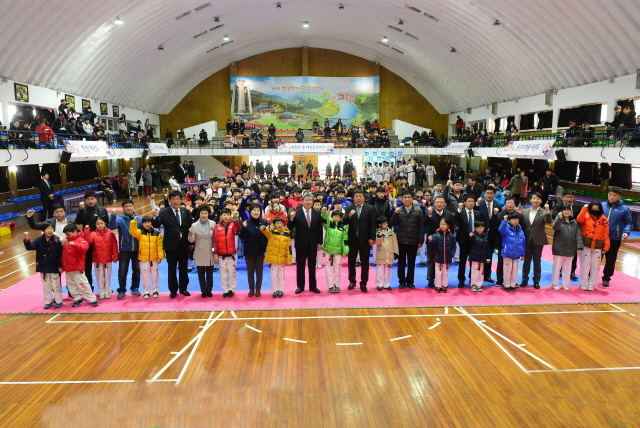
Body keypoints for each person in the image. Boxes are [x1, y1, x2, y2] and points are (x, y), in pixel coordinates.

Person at [152, 190, 192, 298]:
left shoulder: (186, 212)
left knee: (183, 268)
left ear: (181, 200)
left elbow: (190, 227)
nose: (176, 201)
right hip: (171, 245)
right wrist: (154, 216)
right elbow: (156, 224)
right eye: (173, 199)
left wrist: (191, 242)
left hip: (184, 244)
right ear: (170, 200)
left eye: (178, 199)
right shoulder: (164, 212)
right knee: (172, 268)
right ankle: (173, 290)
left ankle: (183, 288)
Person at [288, 194, 323, 293]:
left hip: (313, 243)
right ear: (302, 201)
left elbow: (320, 229)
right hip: (300, 243)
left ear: (312, 202)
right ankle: (300, 286)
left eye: (310, 200)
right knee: (300, 266)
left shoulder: (317, 213)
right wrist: (291, 218)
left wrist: (319, 242)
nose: (308, 202)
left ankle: (313, 286)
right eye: (306, 200)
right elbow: (290, 226)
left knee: (312, 266)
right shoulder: (297, 213)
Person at [343, 189, 377, 292]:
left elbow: (373, 224)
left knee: (365, 262)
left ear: (364, 197)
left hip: (365, 239)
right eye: (356, 196)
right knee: (351, 262)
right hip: (352, 239)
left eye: (360, 196)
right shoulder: (349, 208)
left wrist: (372, 238)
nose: (358, 198)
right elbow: (344, 221)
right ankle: (352, 281)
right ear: (353, 198)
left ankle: (363, 283)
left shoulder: (370, 208)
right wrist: (349, 215)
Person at [108, 199, 142, 298]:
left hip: (137, 249)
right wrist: (113, 215)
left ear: (133, 207)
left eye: (130, 206)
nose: (128, 208)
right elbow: (111, 227)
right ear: (123, 208)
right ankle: (121, 290)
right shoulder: (120, 219)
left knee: (137, 271)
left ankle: (135, 288)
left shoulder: (139, 219)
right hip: (124, 250)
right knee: (122, 272)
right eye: (126, 206)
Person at [23, 225, 64, 309]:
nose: (50, 230)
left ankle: (59, 301)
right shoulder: (38, 240)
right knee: (46, 285)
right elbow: (30, 247)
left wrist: (60, 265)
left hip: (54, 266)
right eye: (48, 229)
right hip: (43, 267)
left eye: (52, 229)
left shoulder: (57, 240)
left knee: (56, 285)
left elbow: (60, 254)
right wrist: (27, 239)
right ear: (43, 230)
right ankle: (48, 301)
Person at [76, 191, 109, 290]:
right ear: (85, 200)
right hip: (88, 240)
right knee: (87, 265)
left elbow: (106, 224)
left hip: (101, 240)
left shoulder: (102, 210)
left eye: (92, 198)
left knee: (103, 264)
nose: (90, 201)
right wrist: (81, 210)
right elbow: (78, 222)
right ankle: (89, 287)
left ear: (96, 199)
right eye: (88, 199)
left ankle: (104, 287)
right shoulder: (83, 210)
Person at [601, 186, 633, 287]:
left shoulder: (624, 209)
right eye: (610, 194)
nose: (611, 197)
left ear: (619, 196)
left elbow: (628, 222)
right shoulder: (602, 205)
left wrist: (626, 232)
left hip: (614, 238)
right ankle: (591, 276)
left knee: (611, 259)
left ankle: (606, 278)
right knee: (596, 258)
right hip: (600, 237)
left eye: (615, 195)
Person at [62, 224, 99, 307]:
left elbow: (85, 247)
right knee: (71, 284)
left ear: (75, 231)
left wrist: (75, 244)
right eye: (66, 234)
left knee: (83, 284)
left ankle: (92, 299)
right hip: (68, 267)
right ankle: (78, 298)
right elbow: (63, 255)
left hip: (77, 267)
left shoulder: (80, 240)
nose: (67, 236)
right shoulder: (66, 242)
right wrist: (62, 266)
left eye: (69, 234)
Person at [520, 193, 552, 289]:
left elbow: (548, 221)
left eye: (538, 199)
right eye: (534, 198)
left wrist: (548, 211)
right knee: (526, 261)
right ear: (530, 200)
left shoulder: (544, 212)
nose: (535, 200)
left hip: (538, 240)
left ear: (541, 201)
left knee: (537, 261)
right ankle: (524, 279)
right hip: (527, 239)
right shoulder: (524, 212)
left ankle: (536, 281)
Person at [454, 195, 486, 288]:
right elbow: (455, 220)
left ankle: (472, 279)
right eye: (469, 201)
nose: (471, 203)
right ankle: (461, 279)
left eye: (472, 201)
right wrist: (458, 210)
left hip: (475, 241)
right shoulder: (461, 212)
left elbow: (480, 226)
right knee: (462, 261)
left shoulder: (478, 213)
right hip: (463, 241)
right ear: (465, 202)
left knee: (474, 261)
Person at [577, 202, 610, 291]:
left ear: (600, 209)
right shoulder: (585, 216)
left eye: (597, 209)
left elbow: (606, 234)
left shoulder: (604, 219)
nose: (595, 211)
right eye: (593, 209)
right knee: (584, 265)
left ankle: (592, 284)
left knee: (595, 266)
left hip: (598, 246)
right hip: (586, 244)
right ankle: (583, 283)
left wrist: (606, 247)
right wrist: (584, 208)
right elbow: (579, 219)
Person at [83, 217, 119, 299]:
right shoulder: (93, 234)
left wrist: (115, 256)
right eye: (98, 224)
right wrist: (86, 230)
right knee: (99, 277)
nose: (100, 225)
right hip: (98, 259)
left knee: (107, 276)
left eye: (101, 223)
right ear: (95, 225)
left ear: (105, 223)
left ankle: (107, 290)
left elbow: (114, 246)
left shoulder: (110, 233)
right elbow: (88, 241)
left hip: (108, 259)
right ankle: (101, 291)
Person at [551, 190, 582, 280]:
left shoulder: (578, 206)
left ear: (574, 198)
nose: (569, 199)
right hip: (562, 231)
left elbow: (580, 218)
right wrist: (561, 218)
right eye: (567, 197)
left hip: (574, 230)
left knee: (573, 254)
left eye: (571, 197)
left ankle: (572, 272)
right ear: (563, 197)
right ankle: (559, 272)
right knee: (560, 256)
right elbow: (554, 216)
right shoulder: (557, 206)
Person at [130, 216, 164, 298]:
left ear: (151, 223)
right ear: (142, 224)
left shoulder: (157, 234)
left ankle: (155, 290)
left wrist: (160, 257)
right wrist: (133, 222)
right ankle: (146, 291)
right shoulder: (140, 233)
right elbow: (132, 232)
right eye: (145, 222)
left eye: (148, 222)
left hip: (154, 259)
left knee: (155, 276)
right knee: (145, 276)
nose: (147, 224)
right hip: (143, 259)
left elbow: (160, 247)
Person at [424, 196, 454, 288]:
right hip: (432, 241)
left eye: (441, 202)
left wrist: (450, 240)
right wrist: (429, 215)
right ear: (434, 203)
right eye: (437, 202)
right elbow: (425, 224)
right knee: (431, 260)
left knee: (444, 262)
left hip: (445, 241)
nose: (439, 204)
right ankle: (430, 279)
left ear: (445, 204)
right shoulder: (429, 212)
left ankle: (443, 280)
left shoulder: (449, 214)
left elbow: (451, 228)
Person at [239, 204, 268, 297]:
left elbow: (267, 237)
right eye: (254, 210)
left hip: (260, 251)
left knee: (259, 271)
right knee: (250, 271)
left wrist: (265, 248)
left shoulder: (264, 223)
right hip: (249, 251)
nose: (256, 212)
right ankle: (251, 289)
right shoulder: (246, 223)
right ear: (250, 212)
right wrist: (243, 228)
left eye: (258, 210)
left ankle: (258, 289)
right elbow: (242, 237)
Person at [188, 206, 217, 298]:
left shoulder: (213, 223)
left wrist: (215, 252)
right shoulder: (194, 225)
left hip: (210, 250)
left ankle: (209, 290)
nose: (204, 215)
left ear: (209, 214)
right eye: (202, 213)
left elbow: (215, 239)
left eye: (205, 213)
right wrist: (190, 233)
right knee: (201, 273)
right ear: (199, 214)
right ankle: (203, 291)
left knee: (210, 273)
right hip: (199, 251)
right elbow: (191, 240)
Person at [261, 217, 292, 297]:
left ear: (283, 224)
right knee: (274, 276)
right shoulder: (271, 233)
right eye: (277, 223)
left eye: (280, 223)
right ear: (274, 225)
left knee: (281, 276)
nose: (279, 225)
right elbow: (266, 232)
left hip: (282, 259)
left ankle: (281, 290)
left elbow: (289, 248)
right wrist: (264, 228)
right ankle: (274, 290)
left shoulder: (287, 234)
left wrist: (289, 259)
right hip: (273, 259)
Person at [214, 207, 241, 297]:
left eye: (228, 215)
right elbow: (214, 241)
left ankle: (231, 290)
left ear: (230, 216)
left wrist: (236, 218)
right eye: (224, 215)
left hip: (231, 255)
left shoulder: (232, 225)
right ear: (221, 216)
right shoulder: (217, 226)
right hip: (221, 255)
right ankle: (225, 290)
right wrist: (214, 253)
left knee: (232, 273)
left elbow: (238, 228)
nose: (226, 217)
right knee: (223, 274)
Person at [321, 208, 349, 293]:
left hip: (338, 252)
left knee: (338, 269)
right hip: (328, 251)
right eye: (335, 216)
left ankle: (337, 285)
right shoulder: (329, 224)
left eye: (338, 217)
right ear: (332, 217)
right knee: (329, 269)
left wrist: (345, 252)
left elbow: (345, 241)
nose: (336, 218)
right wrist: (324, 212)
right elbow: (325, 218)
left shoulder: (343, 228)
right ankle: (330, 286)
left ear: (341, 218)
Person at [477, 186, 502, 283]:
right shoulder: (480, 205)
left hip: (492, 235)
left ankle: (487, 275)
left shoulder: (498, 206)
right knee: (478, 255)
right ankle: (476, 275)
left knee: (489, 256)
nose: (489, 195)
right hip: (480, 234)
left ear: (494, 195)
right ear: (484, 194)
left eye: (491, 193)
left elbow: (499, 221)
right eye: (487, 193)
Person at [428, 217, 456, 293]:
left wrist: (452, 254)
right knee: (438, 273)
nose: (442, 226)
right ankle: (438, 286)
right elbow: (432, 246)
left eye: (444, 224)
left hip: (447, 257)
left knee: (445, 273)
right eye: (441, 224)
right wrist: (430, 240)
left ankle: (444, 285)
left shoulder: (451, 236)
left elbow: (453, 246)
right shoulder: (435, 235)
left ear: (448, 225)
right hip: (438, 257)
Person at [499, 213, 526, 291]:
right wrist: (504, 221)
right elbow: (501, 231)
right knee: (507, 270)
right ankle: (507, 285)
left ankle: (513, 284)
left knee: (515, 270)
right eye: (514, 220)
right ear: (509, 220)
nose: (516, 221)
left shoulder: (520, 230)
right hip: (507, 253)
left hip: (517, 254)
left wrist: (523, 254)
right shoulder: (506, 228)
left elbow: (523, 243)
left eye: (517, 220)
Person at [374, 216, 398, 291]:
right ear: (380, 224)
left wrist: (396, 252)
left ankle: (387, 284)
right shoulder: (377, 232)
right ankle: (379, 284)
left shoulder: (391, 232)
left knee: (388, 270)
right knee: (380, 270)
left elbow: (395, 242)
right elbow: (377, 243)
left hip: (389, 253)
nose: (386, 224)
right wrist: (379, 237)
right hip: (381, 253)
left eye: (386, 223)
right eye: (384, 223)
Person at [468, 221, 492, 292]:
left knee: (481, 272)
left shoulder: (485, 236)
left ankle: (479, 284)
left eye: (481, 228)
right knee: (474, 272)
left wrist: (488, 257)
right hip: (475, 257)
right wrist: (470, 236)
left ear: (484, 228)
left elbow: (487, 248)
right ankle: (473, 284)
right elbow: (470, 241)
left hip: (483, 257)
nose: (479, 229)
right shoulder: (473, 236)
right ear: (475, 228)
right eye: (478, 228)